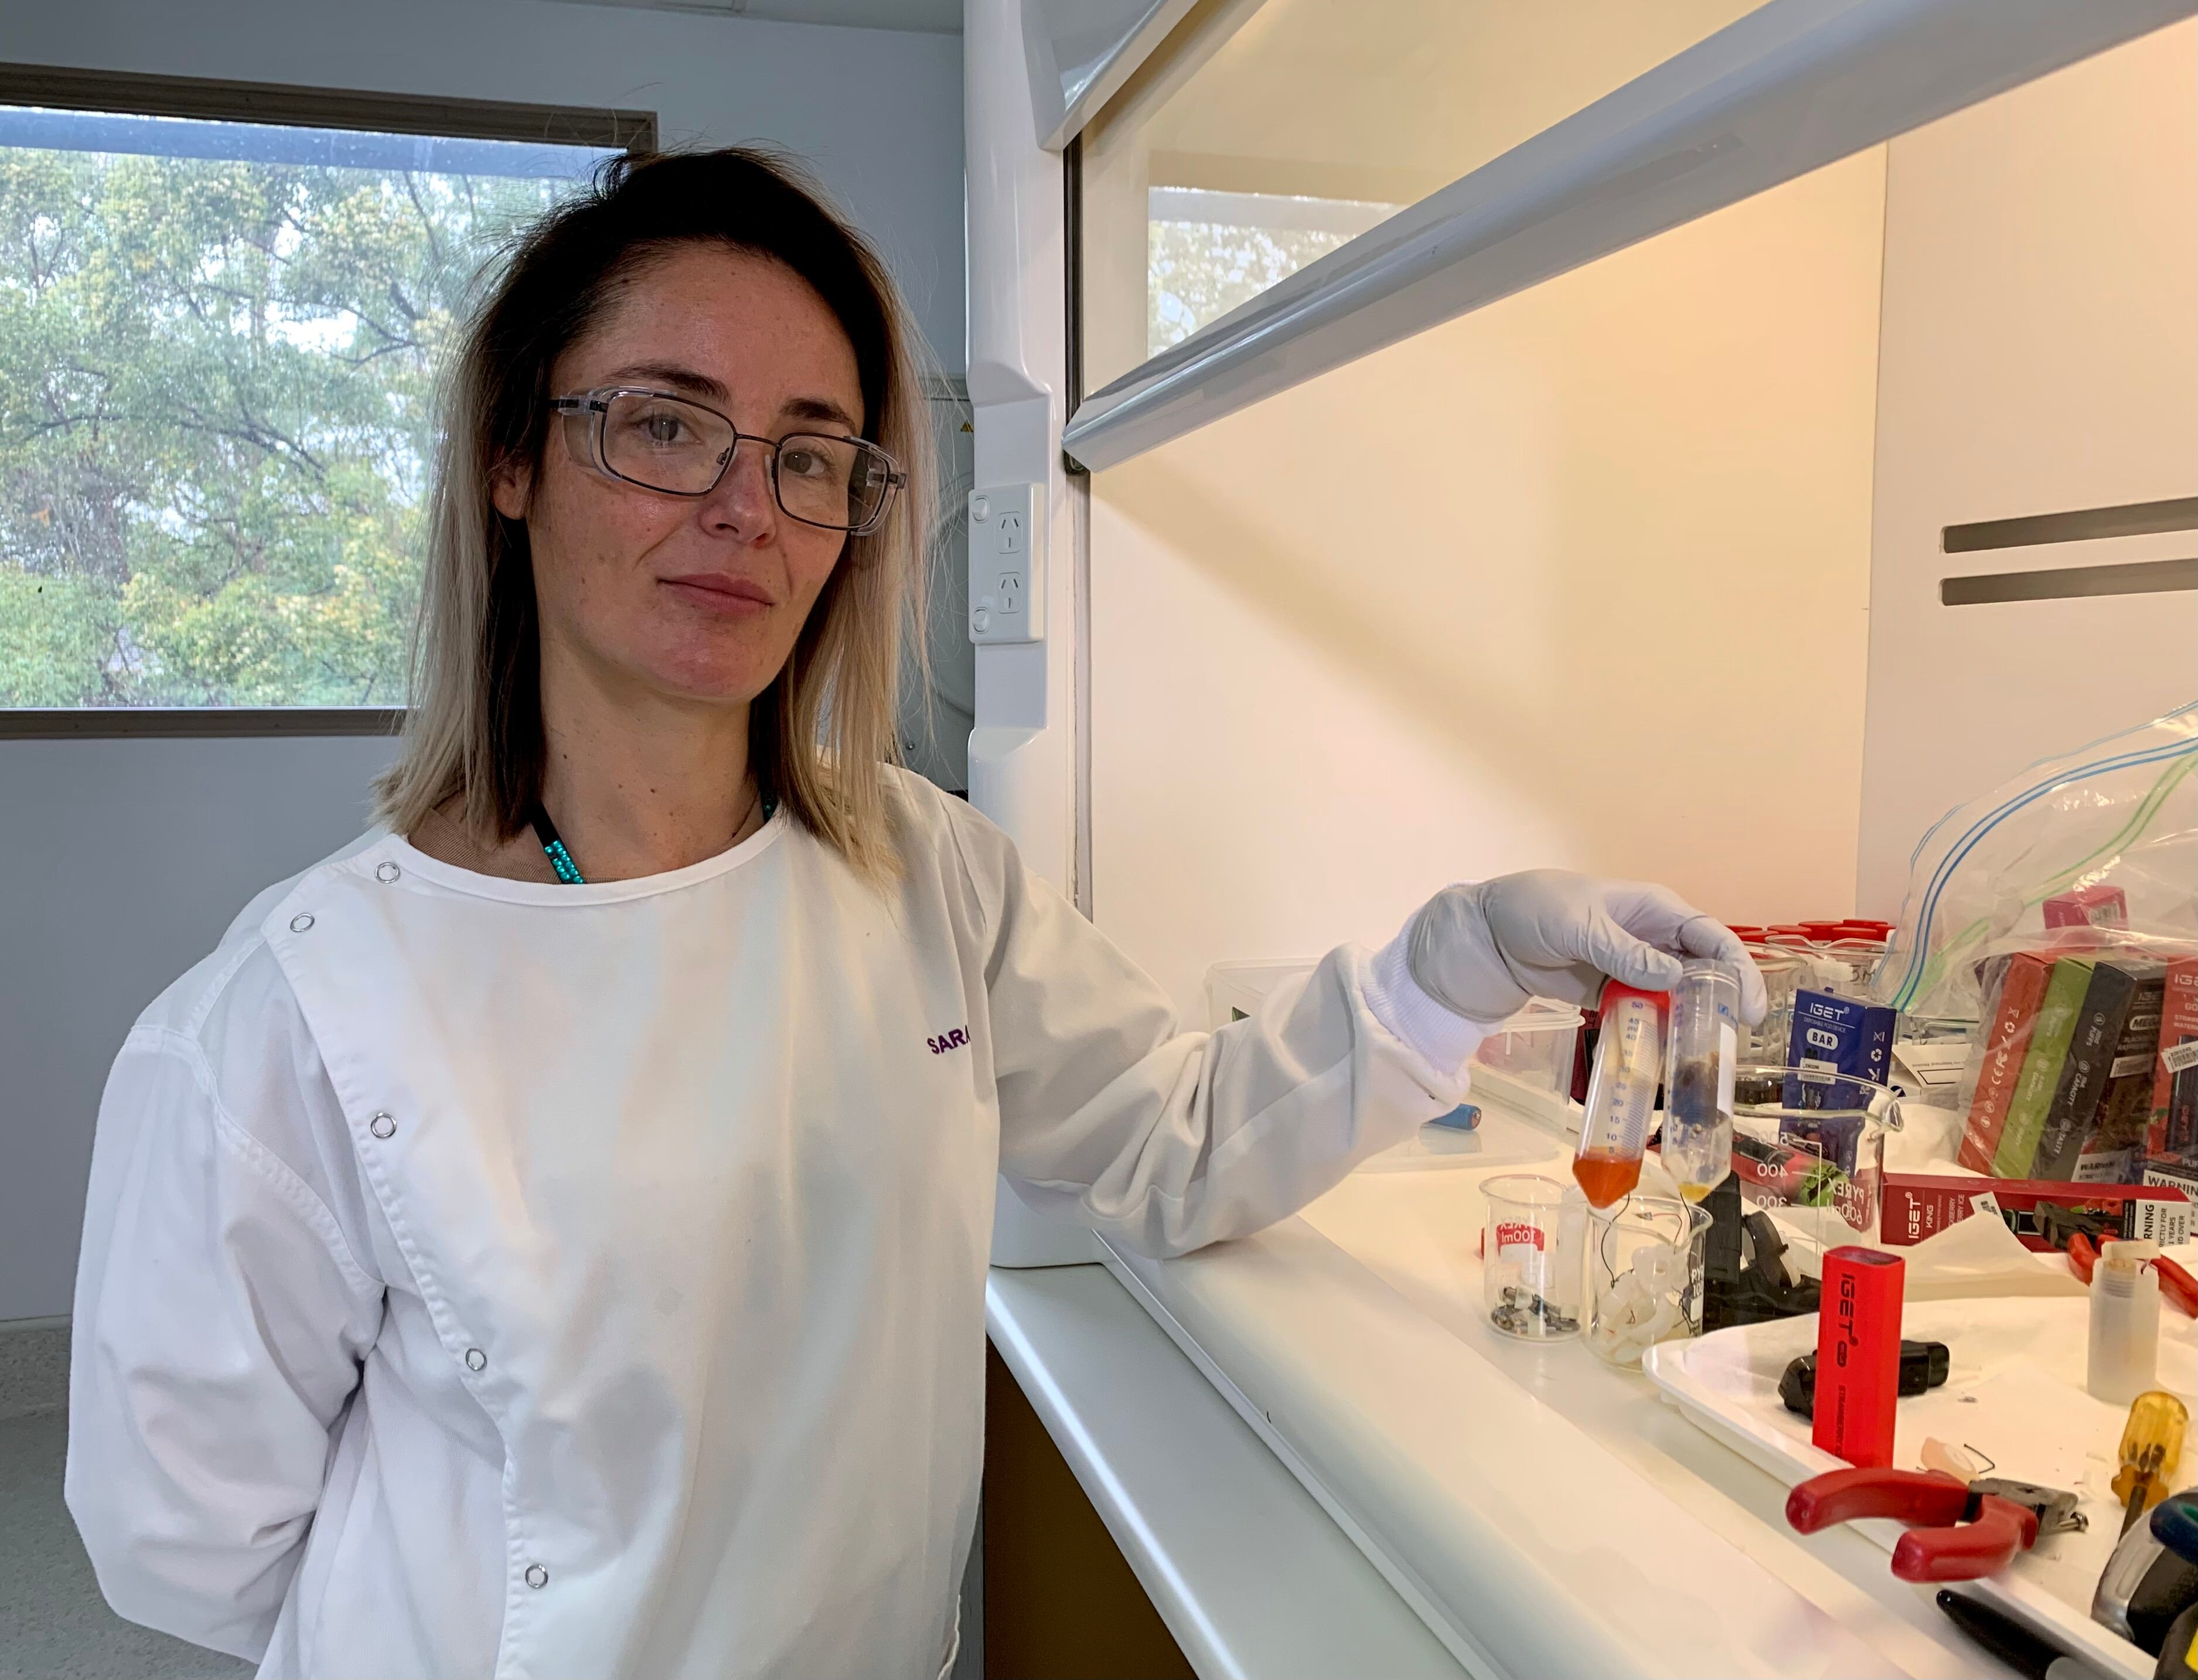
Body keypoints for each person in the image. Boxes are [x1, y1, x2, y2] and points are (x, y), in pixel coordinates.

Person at [65, 148, 1764, 1680]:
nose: (746, 508)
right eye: (665, 424)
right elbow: (187, 1542)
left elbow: (1180, 1140)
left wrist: (1467, 948)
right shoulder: (298, 1009)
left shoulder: (924, 873)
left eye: (813, 454)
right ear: (515, 460)